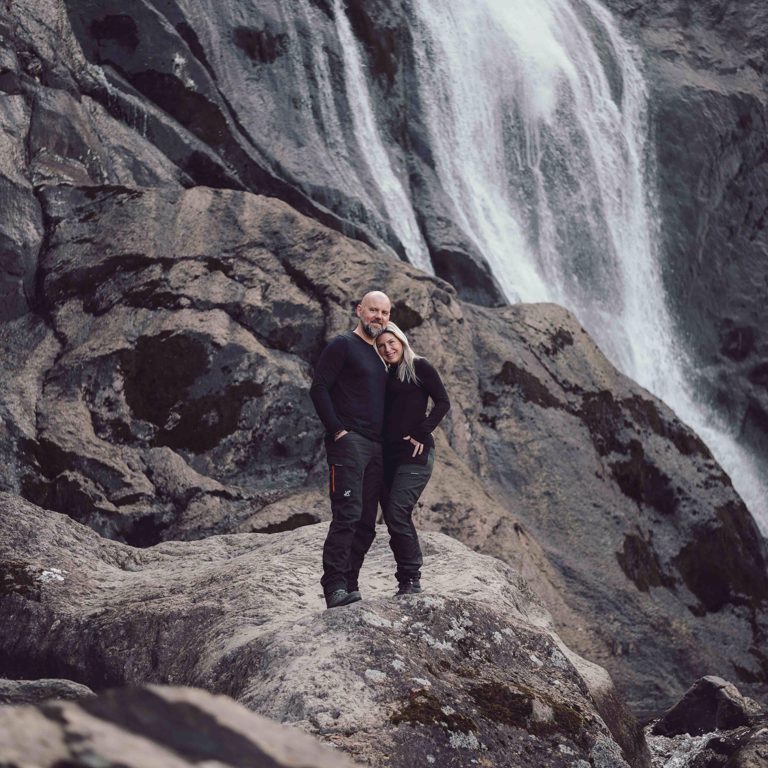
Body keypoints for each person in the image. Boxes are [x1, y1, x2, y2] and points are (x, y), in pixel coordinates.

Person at [309, 291, 391, 609]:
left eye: (384, 312)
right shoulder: (344, 344)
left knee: (367, 523)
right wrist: (337, 431)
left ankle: (351, 581)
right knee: (347, 514)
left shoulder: (382, 356)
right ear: (360, 311)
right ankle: (335, 587)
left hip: (377, 447)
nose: (378, 317)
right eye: (373, 310)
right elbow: (318, 388)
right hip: (349, 443)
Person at [375, 322, 450, 595]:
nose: (388, 348)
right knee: (393, 518)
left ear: (402, 340)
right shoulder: (381, 374)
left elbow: (443, 402)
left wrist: (421, 431)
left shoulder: (420, 366)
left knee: (397, 511)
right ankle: (404, 579)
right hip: (386, 456)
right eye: (381, 346)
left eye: (391, 342)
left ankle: (412, 577)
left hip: (416, 454)